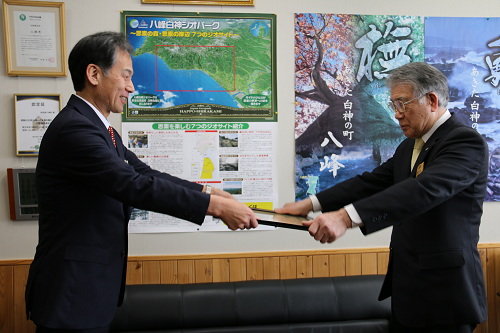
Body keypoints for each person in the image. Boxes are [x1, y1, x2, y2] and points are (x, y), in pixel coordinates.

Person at [25, 31, 258, 333]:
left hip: (89, 294)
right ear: (94, 74)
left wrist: (208, 191)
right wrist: (214, 208)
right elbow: (133, 186)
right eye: (125, 76)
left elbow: (145, 174)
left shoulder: (99, 128)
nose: (131, 88)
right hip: (71, 295)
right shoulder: (75, 130)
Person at [276, 62, 488, 333]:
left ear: (431, 100)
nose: (397, 114)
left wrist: (345, 217)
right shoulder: (409, 146)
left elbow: (422, 191)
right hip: (407, 292)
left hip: (445, 295)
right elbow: (370, 183)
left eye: (402, 104)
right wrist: (309, 203)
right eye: (393, 106)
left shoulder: (464, 143)